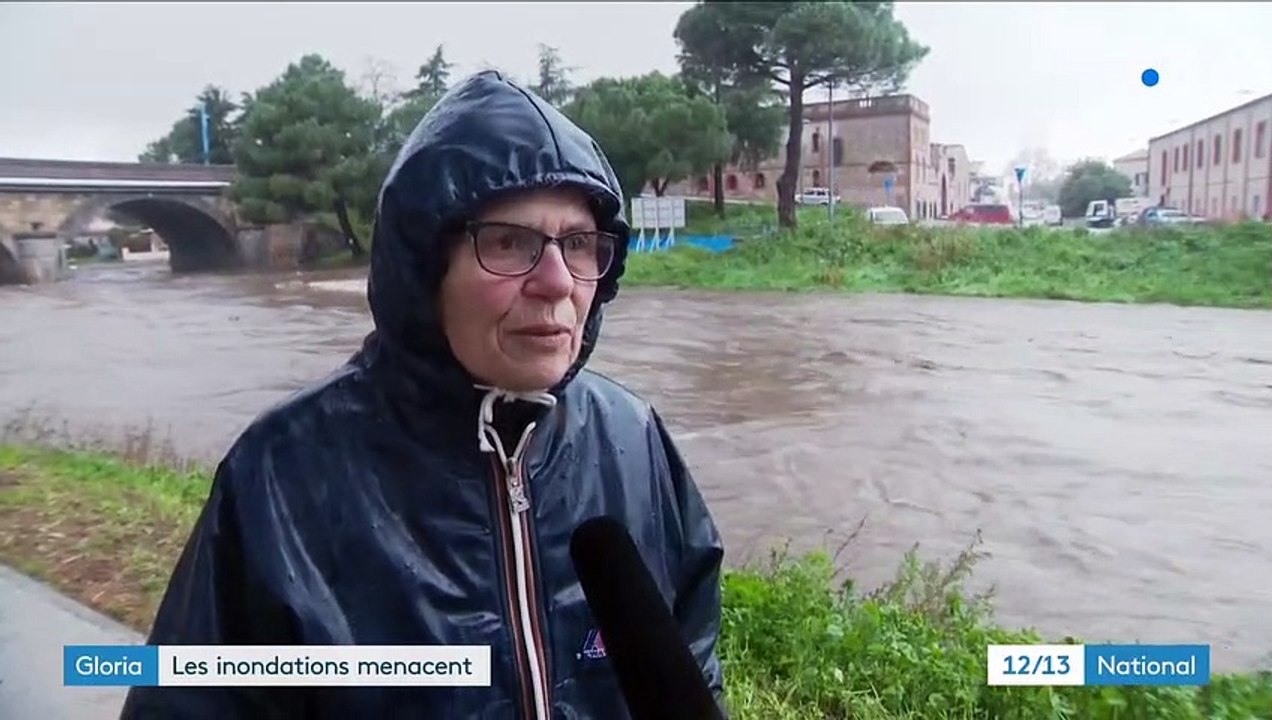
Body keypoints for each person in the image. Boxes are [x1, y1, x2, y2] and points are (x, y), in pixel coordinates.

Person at [119, 71, 726, 719]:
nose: (558, 282)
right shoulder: (283, 471)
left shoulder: (634, 438)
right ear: (423, 269)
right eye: (509, 242)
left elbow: (693, 659)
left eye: (578, 244)